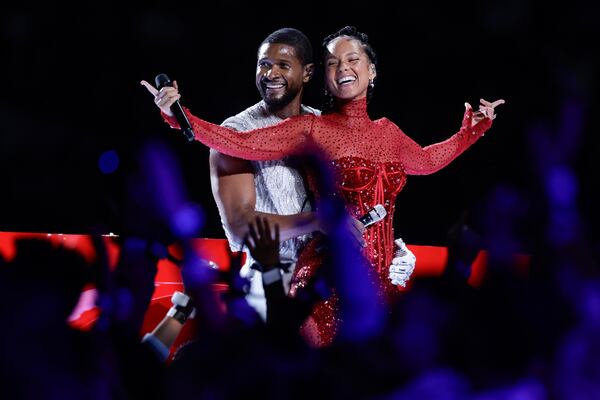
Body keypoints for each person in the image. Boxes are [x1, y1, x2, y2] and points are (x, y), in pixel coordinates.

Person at [141, 27, 416, 322]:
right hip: (268, 280)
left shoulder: (322, 125)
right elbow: (241, 227)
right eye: (263, 64)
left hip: (328, 278)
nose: (270, 74)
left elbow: (356, 203)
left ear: (308, 72)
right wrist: (318, 221)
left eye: (283, 65)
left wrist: (390, 248)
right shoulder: (234, 132)